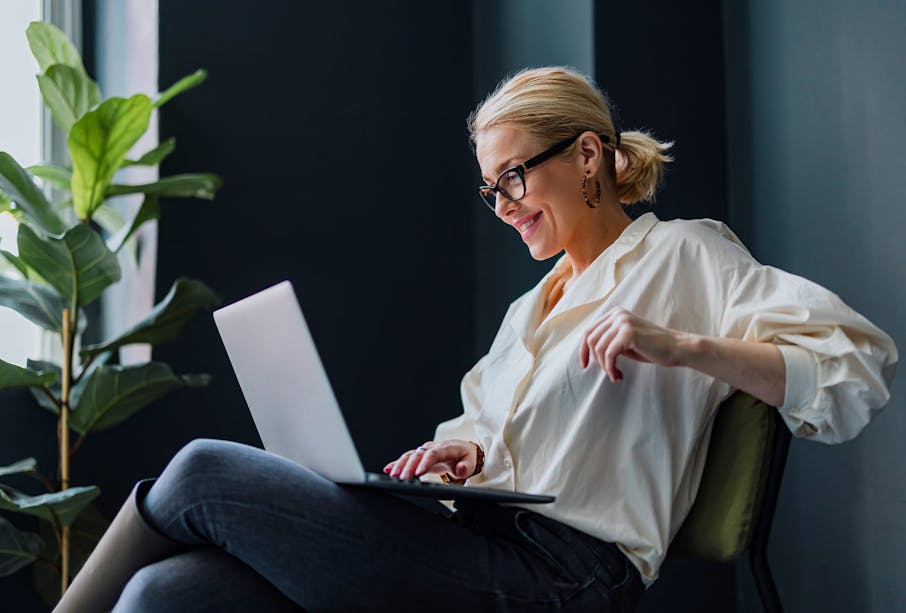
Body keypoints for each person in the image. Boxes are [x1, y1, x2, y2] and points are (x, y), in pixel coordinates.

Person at [54, 67, 897, 613]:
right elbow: (491, 437)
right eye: (492, 191)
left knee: (203, 468)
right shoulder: (530, 309)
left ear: (591, 155)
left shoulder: (685, 255)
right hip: (477, 545)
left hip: (565, 579)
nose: (506, 206)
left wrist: (679, 344)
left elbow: (853, 366)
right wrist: (460, 458)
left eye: (516, 178)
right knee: (168, 594)